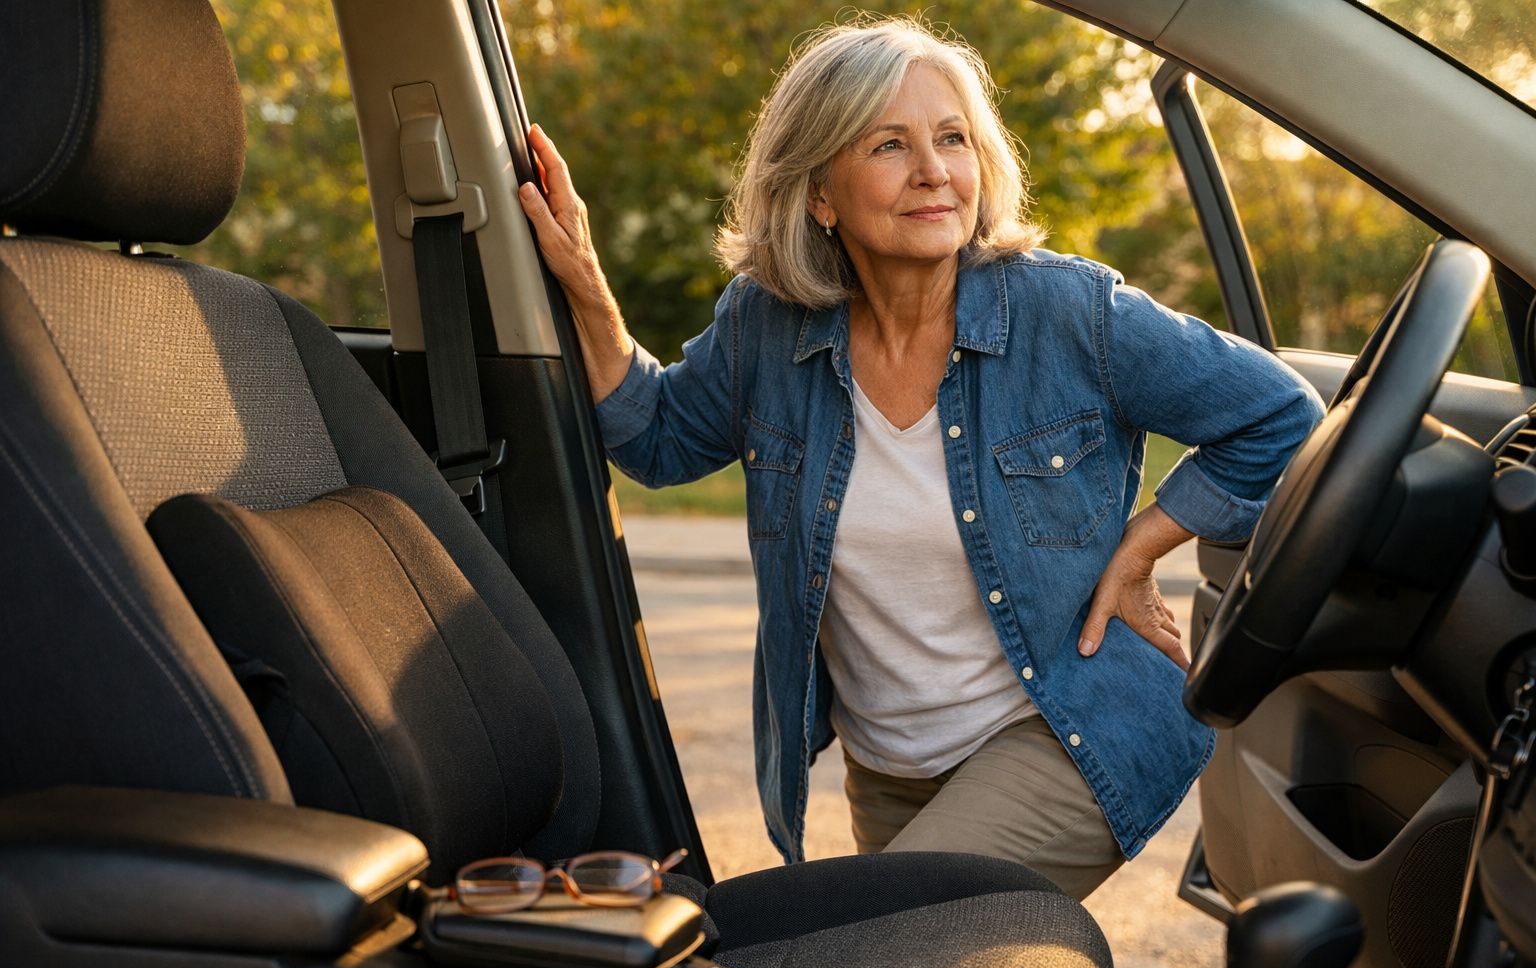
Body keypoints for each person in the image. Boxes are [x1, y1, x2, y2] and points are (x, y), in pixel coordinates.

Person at [516, 15, 1323, 900]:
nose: (934, 169)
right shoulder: (766, 325)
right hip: (888, 769)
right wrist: (588, 291)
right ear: (820, 192)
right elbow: (659, 439)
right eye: (889, 145)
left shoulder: (1068, 313)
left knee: (877, 939)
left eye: (952, 139)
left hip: (1059, 735)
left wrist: (1141, 547)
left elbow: (1282, 416)